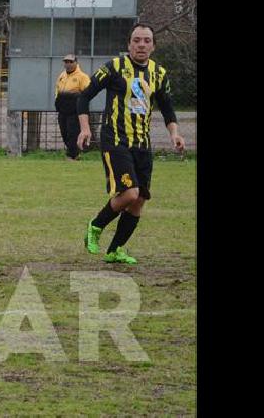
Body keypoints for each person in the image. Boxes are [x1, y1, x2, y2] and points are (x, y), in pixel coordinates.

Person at [77, 23, 186, 265]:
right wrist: (85, 129)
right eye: (137, 40)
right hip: (116, 141)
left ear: (153, 46)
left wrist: (174, 134)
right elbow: (84, 97)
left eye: (147, 41)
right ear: (129, 44)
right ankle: (95, 226)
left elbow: (168, 109)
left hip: (142, 145)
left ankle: (115, 250)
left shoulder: (159, 74)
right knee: (129, 193)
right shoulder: (114, 68)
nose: (141, 45)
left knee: (139, 200)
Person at [54, 54, 90, 161]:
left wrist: (80, 105)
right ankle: (74, 153)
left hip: (75, 111)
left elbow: (87, 93)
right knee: (64, 132)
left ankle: (72, 155)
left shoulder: (82, 77)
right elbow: (57, 89)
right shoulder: (62, 76)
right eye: (66, 62)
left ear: (76, 62)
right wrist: (57, 102)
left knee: (73, 133)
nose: (68, 64)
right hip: (62, 110)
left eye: (70, 62)